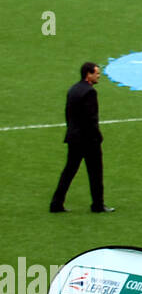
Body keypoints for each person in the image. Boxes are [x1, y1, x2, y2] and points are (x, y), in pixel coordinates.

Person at [49, 62, 112, 213]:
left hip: (73, 137)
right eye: (96, 73)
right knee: (95, 172)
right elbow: (91, 119)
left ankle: (56, 204)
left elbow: (68, 115)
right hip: (88, 140)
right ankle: (97, 205)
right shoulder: (90, 92)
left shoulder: (73, 89)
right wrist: (98, 137)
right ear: (88, 74)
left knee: (69, 171)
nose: (99, 76)